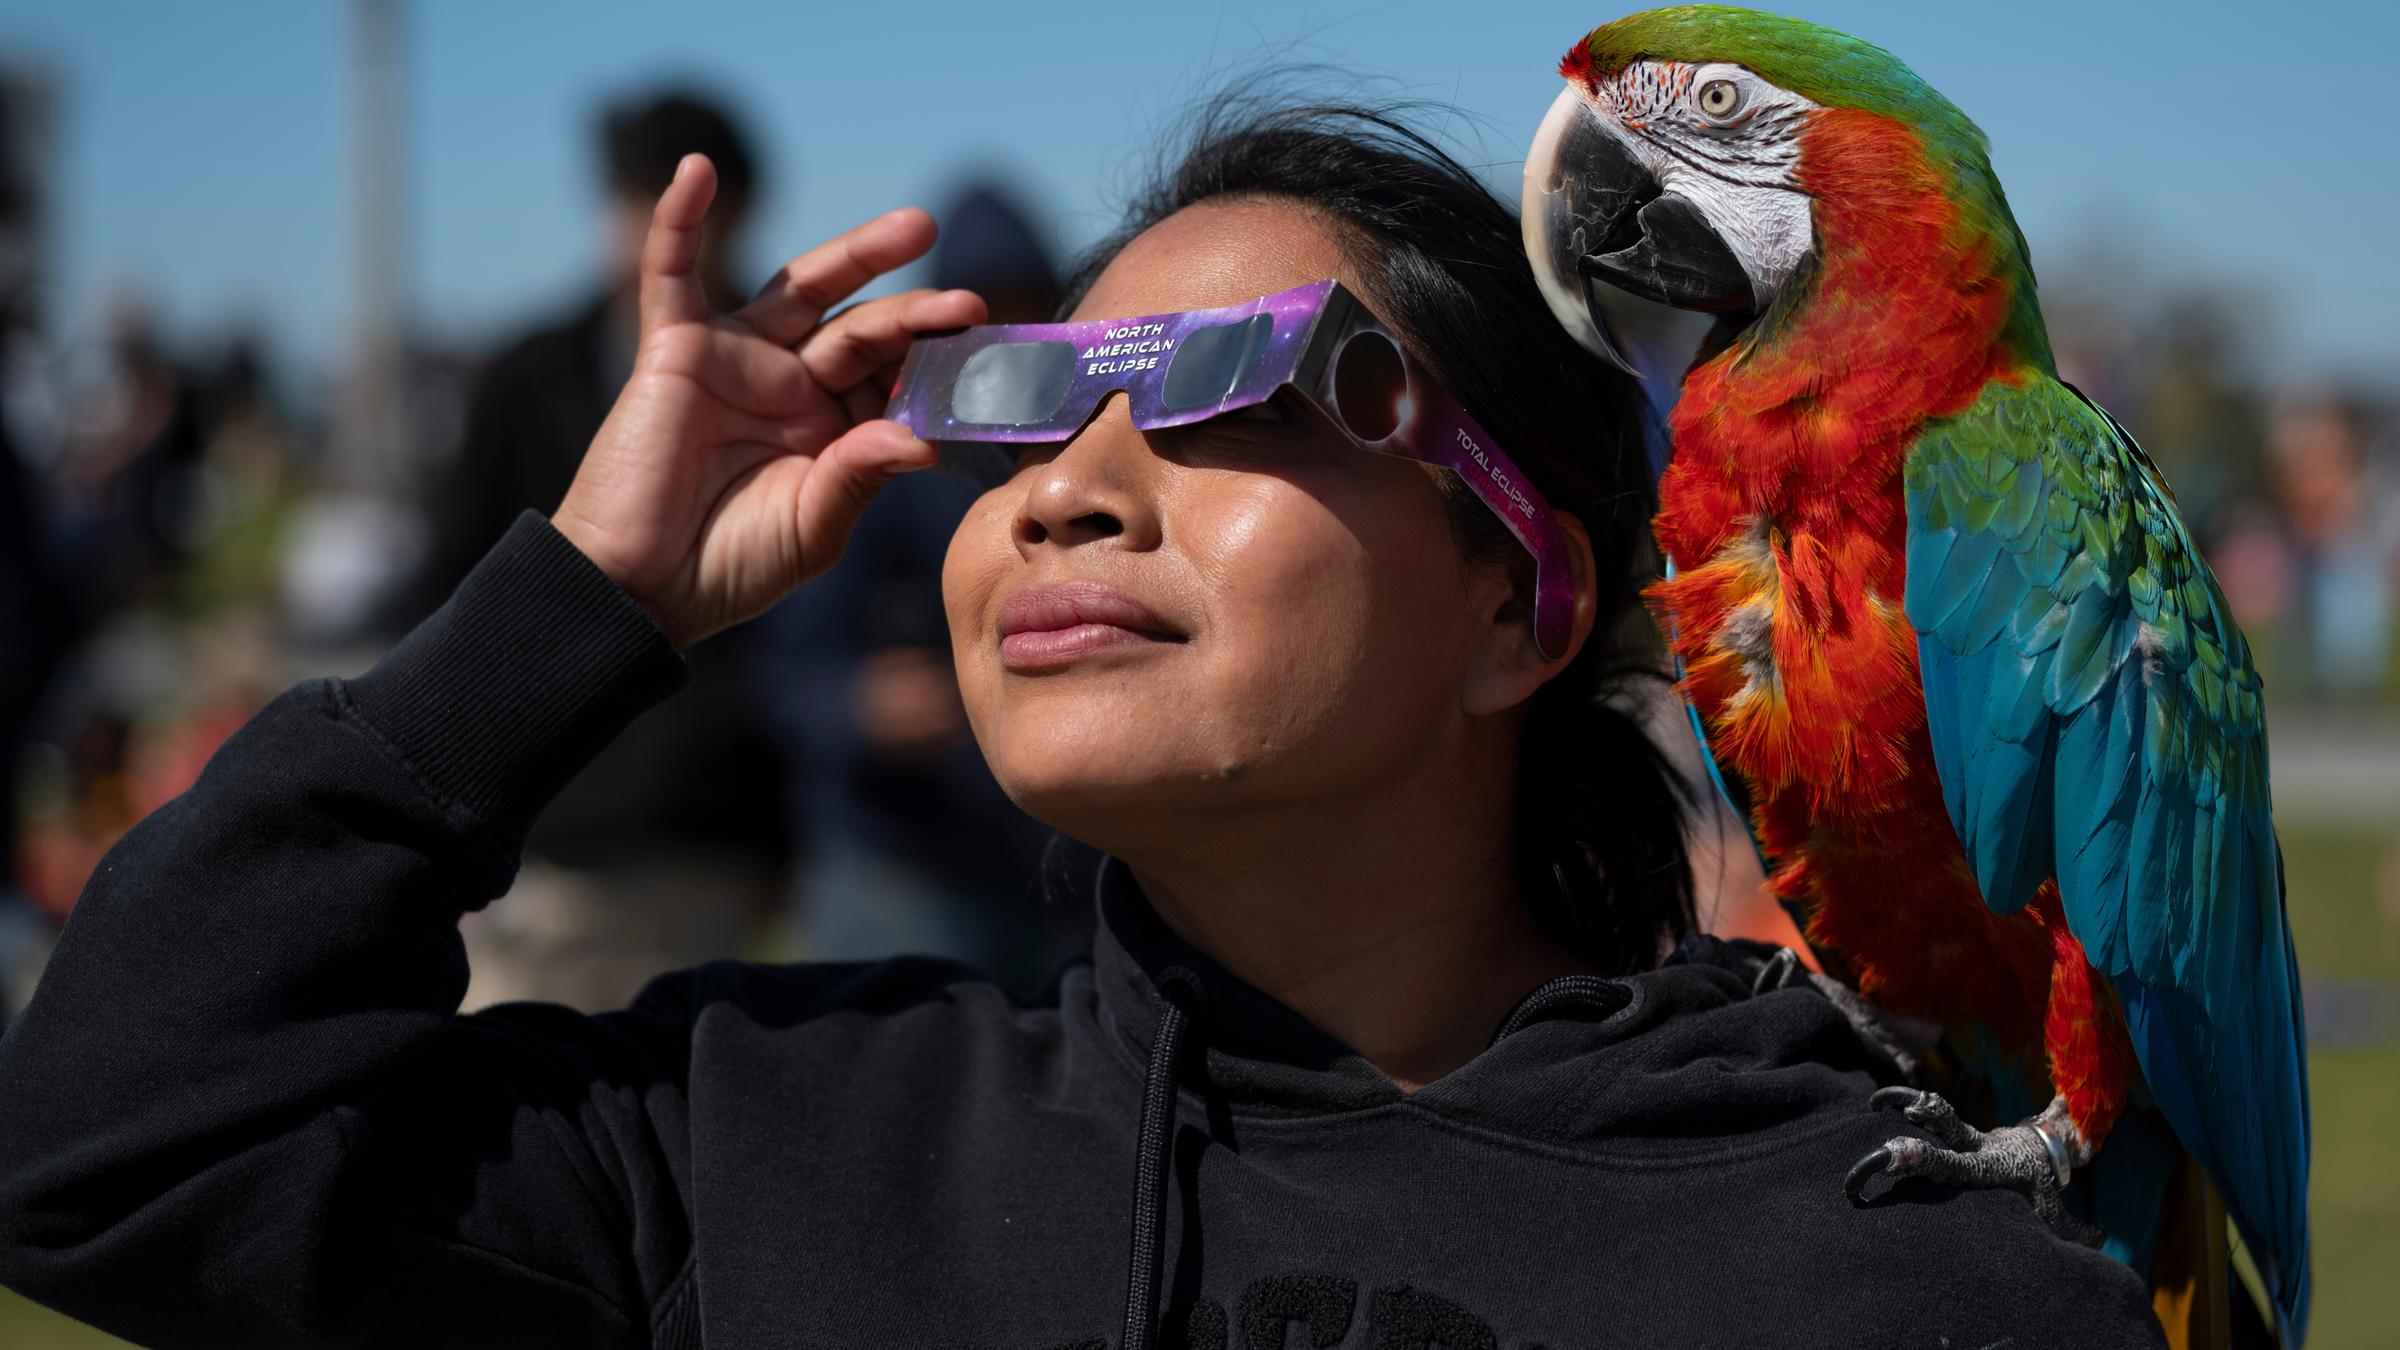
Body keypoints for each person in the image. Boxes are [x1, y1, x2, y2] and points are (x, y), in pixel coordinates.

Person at [0, 101, 2167, 1347]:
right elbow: (116, 1143)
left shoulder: (1884, 1268)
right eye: (1020, 400)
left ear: (1516, 603)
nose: (1065, 484)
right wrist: (581, 599)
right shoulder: (770, 1146)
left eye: (1230, 390)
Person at [409, 89, 787, 1010]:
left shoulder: (792, 376)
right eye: (634, 201)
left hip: (713, 833)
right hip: (552, 835)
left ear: (737, 210)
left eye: (689, 205)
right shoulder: (528, 374)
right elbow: (452, 581)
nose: (652, 233)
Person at [756, 180, 1070, 996]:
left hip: (1060, 873)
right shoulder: (887, 454)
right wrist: (865, 706)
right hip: (900, 872)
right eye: (984, 311)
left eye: (1029, 303)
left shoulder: (1090, 442)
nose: (1010, 329)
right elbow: (785, 672)